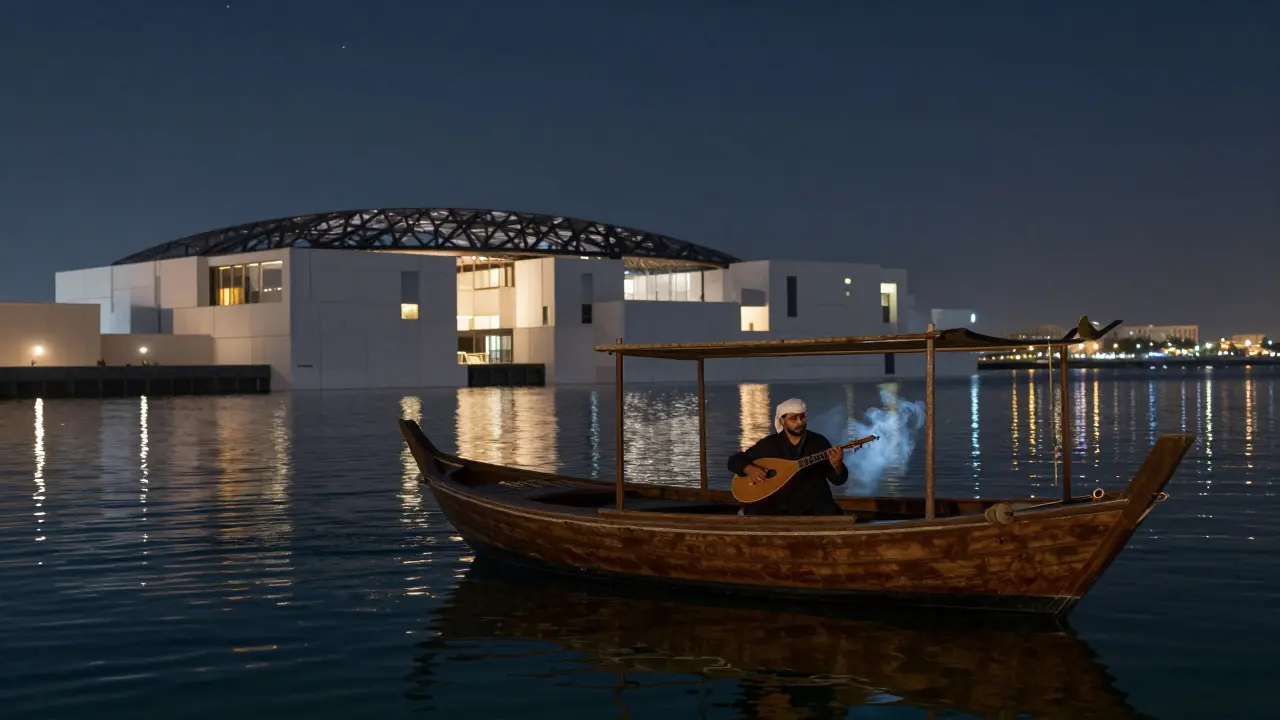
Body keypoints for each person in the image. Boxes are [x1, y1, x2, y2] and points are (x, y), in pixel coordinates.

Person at [727, 398, 849, 516]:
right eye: (793, 419)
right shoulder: (770, 444)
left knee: (832, 513)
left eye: (802, 417)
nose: (800, 422)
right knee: (755, 512)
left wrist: (837, 465)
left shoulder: (818, 442)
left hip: (813, 504)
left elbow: (838, 480)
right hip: (779, 504)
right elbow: (734, 460)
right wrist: (750, 469)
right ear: (782, 421)